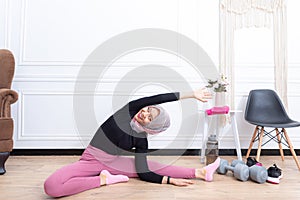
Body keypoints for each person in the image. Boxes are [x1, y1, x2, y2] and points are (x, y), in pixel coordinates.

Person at [44, 88, 221, 198]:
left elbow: (143, 172)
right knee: (51, 186)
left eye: (150, 118)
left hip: (114, 162)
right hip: (91, 160)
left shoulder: (141, 140)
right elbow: (158, 98)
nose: (144, 113)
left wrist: (169, 180)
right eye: (148, 110)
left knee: (152, 165)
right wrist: (190, 94)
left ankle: (200, 173)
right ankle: (103, 180)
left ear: (151, 127)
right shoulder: (127, 111)